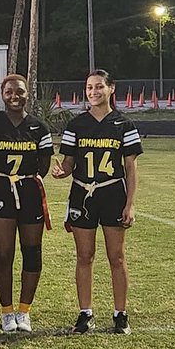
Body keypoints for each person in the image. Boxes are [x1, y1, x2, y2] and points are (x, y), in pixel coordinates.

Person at [51, 69, 142, 334]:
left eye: (99, 86)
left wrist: (130, 203)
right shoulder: (76, 125)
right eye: (90, 87)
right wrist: (61, 172)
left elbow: (131, 168)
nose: (94, 92)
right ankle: (85, 313)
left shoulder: (124, 124)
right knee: (84, 255)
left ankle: (120, 313)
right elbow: (68, 163)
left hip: (112, 193)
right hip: (82, 194)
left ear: (111, 88)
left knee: (116, 256)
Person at [0, 74, 54, 333]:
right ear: (2, 94)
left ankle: (24, 310)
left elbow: (44, 164)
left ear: (27, 93)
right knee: (4, 254)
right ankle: (7, 312)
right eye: (9, 92)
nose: (14, 96)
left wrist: (26, 181)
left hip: (29, 192)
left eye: (19, 91)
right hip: (1, 192)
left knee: (32, 253)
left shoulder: (38, 128)